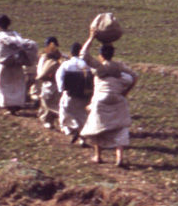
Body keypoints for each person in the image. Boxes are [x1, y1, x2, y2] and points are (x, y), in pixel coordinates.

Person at [79, 27, 138, 166]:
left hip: (100, 100)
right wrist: (126, 92)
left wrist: (91, 37)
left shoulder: (99, 68)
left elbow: (83, 54)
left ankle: (98, 156)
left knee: (97, 127)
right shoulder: (119, 67)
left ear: (101, 55)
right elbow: (135, 76)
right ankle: (119, 159)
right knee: (120, 128)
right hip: (118, 99)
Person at [0, 15, 29, 113]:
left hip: (3, 64)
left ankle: (9, 106)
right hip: (18, 63)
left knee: (4, 85)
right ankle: (17, 104)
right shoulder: (16, 35)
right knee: (17, 84)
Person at [55, 42, 92, 143]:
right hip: (84, 96)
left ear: (71, 53)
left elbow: (59, 77)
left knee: (64, 113)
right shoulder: (85, 65)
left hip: (70, 94)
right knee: (83, 116)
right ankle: (83, 139)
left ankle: (72, 129)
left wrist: (61, 89)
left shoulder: (66, 64)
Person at [34, 37, 63, 129]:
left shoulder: (58, 57)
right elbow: (41, 73)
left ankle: (49, 120)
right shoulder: (45, 58)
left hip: (54, 83)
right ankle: (47, 120)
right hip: (50, 83)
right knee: (48, 102)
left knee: (51, 102)